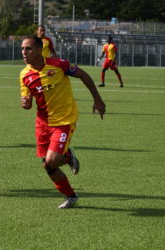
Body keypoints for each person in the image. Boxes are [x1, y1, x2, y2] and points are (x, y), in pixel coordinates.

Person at [19, 36, 106, 209]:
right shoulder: (24, 75)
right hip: (42, 124)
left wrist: (97, 99)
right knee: (48, 166)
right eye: (22, 49)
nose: (24, 52)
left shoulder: (59, 64)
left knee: (52, 159)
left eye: (28, 49)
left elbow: (83, 74)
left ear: (38, 49)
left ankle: (66, 155)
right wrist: (26, 103)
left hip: (64, 120)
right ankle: (70, 196)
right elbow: (26, 99)